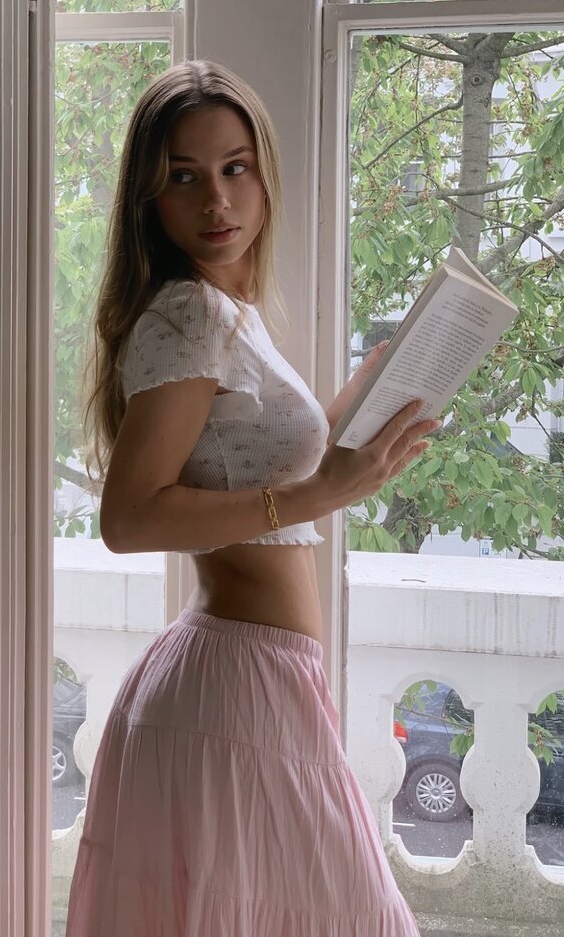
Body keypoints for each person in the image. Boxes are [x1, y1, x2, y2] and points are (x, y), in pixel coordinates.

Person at [65, 59, 437, 936]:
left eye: (235, 168)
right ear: (149, 199)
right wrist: (317, 493)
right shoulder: (191, 316)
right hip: (235, 690)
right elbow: (131, 517)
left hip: (248, 681)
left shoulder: (225, 311)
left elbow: (244, 469)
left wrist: (356, 409)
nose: (216, 200)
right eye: (183, 177)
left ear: (265, 175)